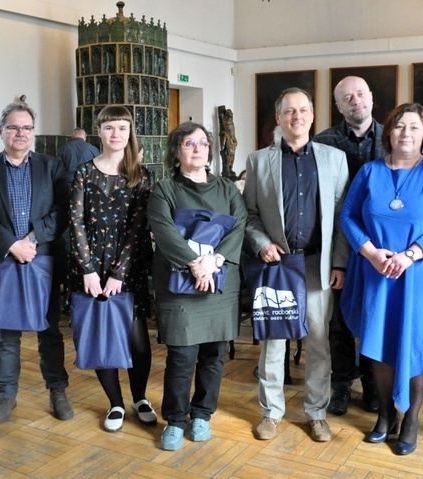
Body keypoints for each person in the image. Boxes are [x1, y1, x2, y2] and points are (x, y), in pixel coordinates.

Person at [339, 103, 423, 456]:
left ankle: (412, 419)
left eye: (415, 127)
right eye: (400, 126)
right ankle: (386, 415)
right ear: (388, 132)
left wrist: (409, 255)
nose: (406, 133)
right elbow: (348, 216)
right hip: (376, 272)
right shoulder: (369, 172)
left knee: (416, 343)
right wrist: (371, 251)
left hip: (419, 275)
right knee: (379, 343)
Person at [244, 87, 349, 442]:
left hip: (318, 267)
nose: (297, 116)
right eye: (289, 111)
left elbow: (342, 219)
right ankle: (271, 413)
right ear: (279, 118)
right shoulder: (259, 161)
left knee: (319, 342)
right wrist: (261, 245)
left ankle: (316, 413)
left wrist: (340, 263)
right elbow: (250, 215)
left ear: (313, 115)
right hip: (278, 267)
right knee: (274, 343)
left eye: (303, 110)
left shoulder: (334, 159)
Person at [0, 102, 73, 425]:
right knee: (7, 333)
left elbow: (62, 211)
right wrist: (11, 244)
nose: (20, 133)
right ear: (1, 131)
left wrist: (31, 240)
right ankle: (7, 395)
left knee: (49, 330)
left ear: (33, 132)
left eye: (26, 127)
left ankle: (57, 390)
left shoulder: (52, 166)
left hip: (42, 258)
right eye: (13, 127)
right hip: (4, 259)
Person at [148, 121, 247, 450]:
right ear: (176, 151)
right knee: (181, 355)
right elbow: (164, 231)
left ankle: (203, 413)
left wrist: (213, 262)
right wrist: (195, 263)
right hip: (179, 284)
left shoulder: (228, 189)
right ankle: (175, 419)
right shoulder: (164, 189)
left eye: (202, 143)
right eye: (189, 144)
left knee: (214, 355)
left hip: (220, 282)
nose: (197, 149)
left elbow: (239, 226)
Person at [69, 105, 155, 433]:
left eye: (122, 128)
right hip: (89, 266)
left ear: (130, 132)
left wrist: (118, 273)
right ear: (99, 131)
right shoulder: (83, 172)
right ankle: (115, 403)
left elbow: (138, 227)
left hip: (128, 268)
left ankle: (139, 397)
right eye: (109, 128)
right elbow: (75, 222)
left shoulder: (141, 175)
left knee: (137, 342)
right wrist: (88, 269)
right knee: (102, 338)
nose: (116, 134)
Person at [313, 75, 386, 415]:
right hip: (339, 244)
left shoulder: (392, 139)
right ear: (339, 106)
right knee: (339, 320)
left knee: (375, 315)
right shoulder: (323, 143)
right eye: (347, 98)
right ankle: (342, 382)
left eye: (360, 93)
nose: (355, 101)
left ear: (370, 97)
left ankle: (373, 383)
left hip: (382, 245)